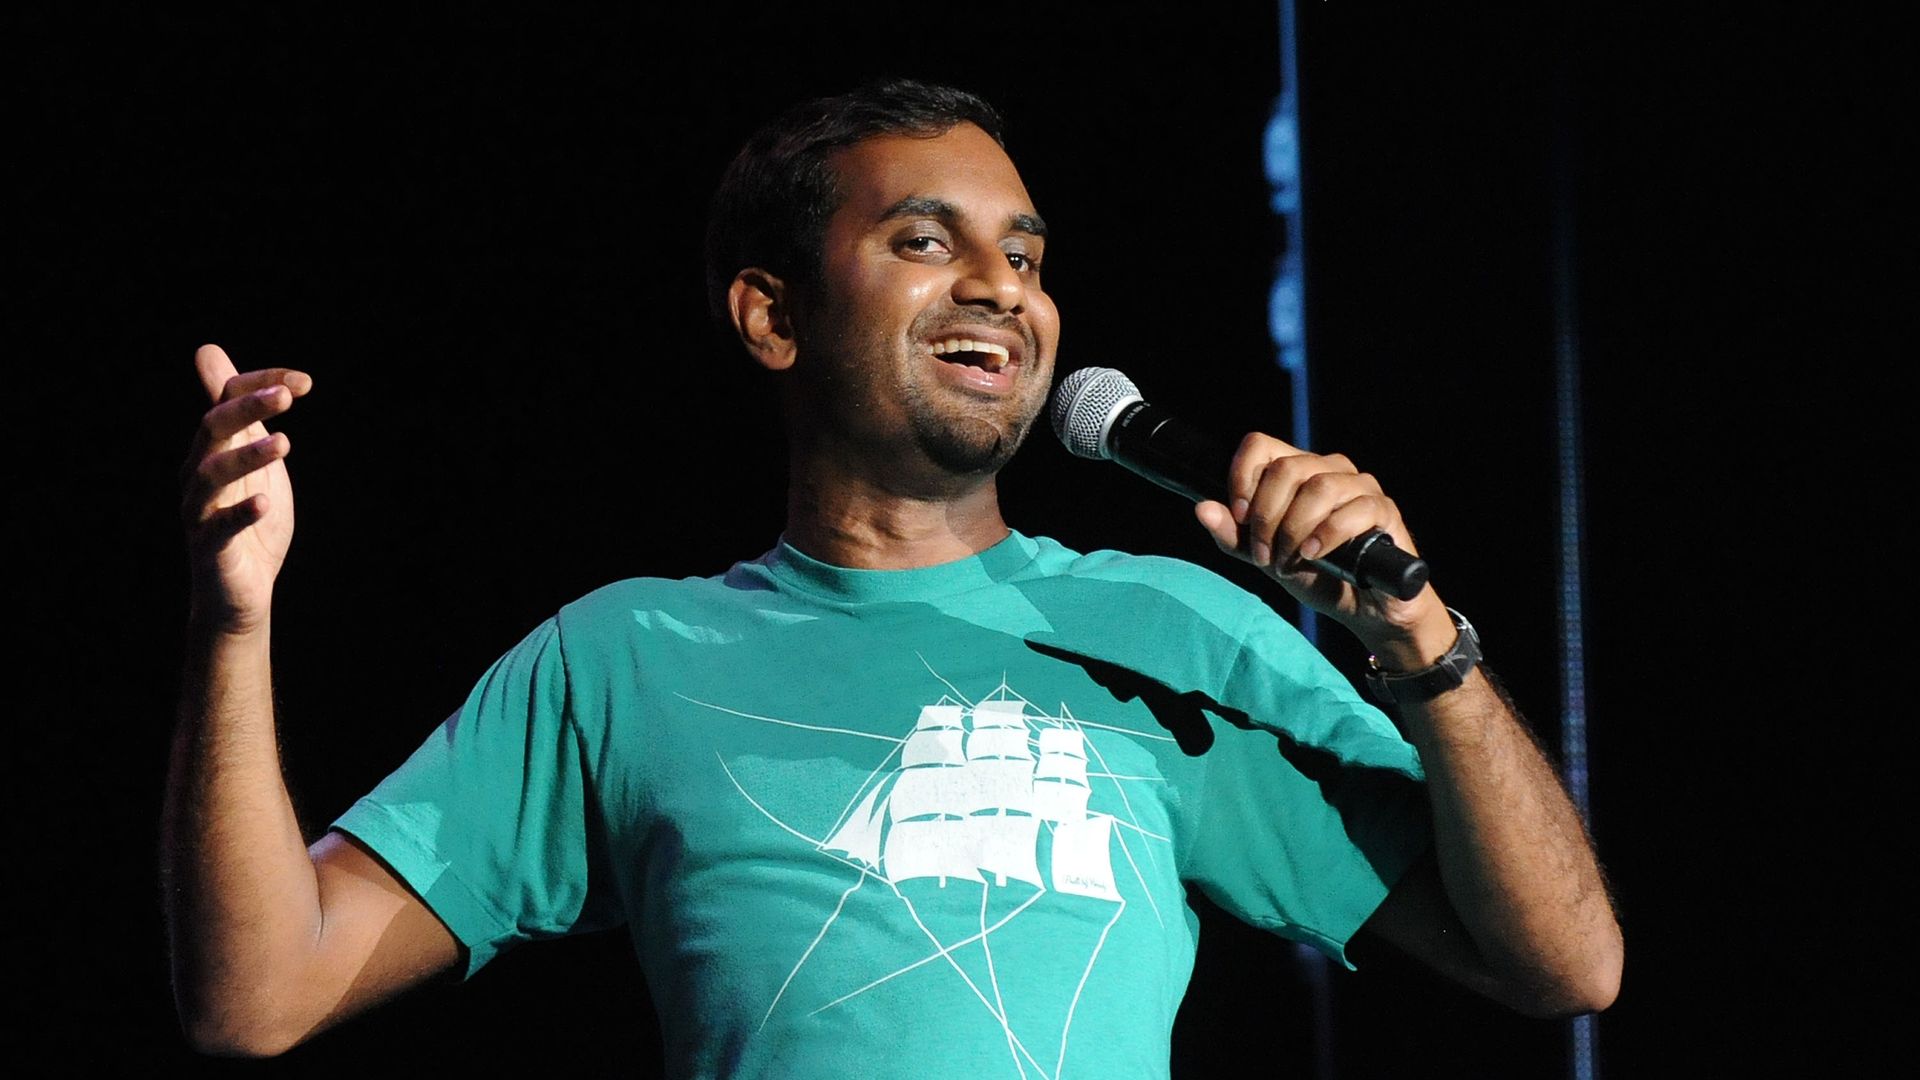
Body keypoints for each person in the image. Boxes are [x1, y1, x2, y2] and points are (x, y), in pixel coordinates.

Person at [162, 80, 1621, 1074]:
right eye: (926, 242)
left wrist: (1427, 648)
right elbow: (258, 997)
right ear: (773, 314)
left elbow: (1568, 966)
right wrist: (236, 624)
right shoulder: (619, 659)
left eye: (1027, 257)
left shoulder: (1170, 628)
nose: (1003, 287)